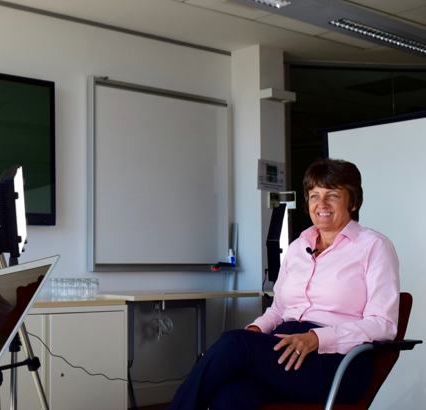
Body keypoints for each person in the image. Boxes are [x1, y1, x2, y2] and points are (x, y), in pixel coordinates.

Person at [167, 158, 400, 409]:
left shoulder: (374, 246)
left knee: (234, 344)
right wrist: (256, 331)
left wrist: (316, 338)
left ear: (353, 202)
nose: (321, 204)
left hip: (337, 363)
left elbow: (383, 325)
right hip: (285, 351)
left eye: (332, 195)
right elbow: (278, 311)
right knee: (231, 396)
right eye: (314, 195)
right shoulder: (298, 247)